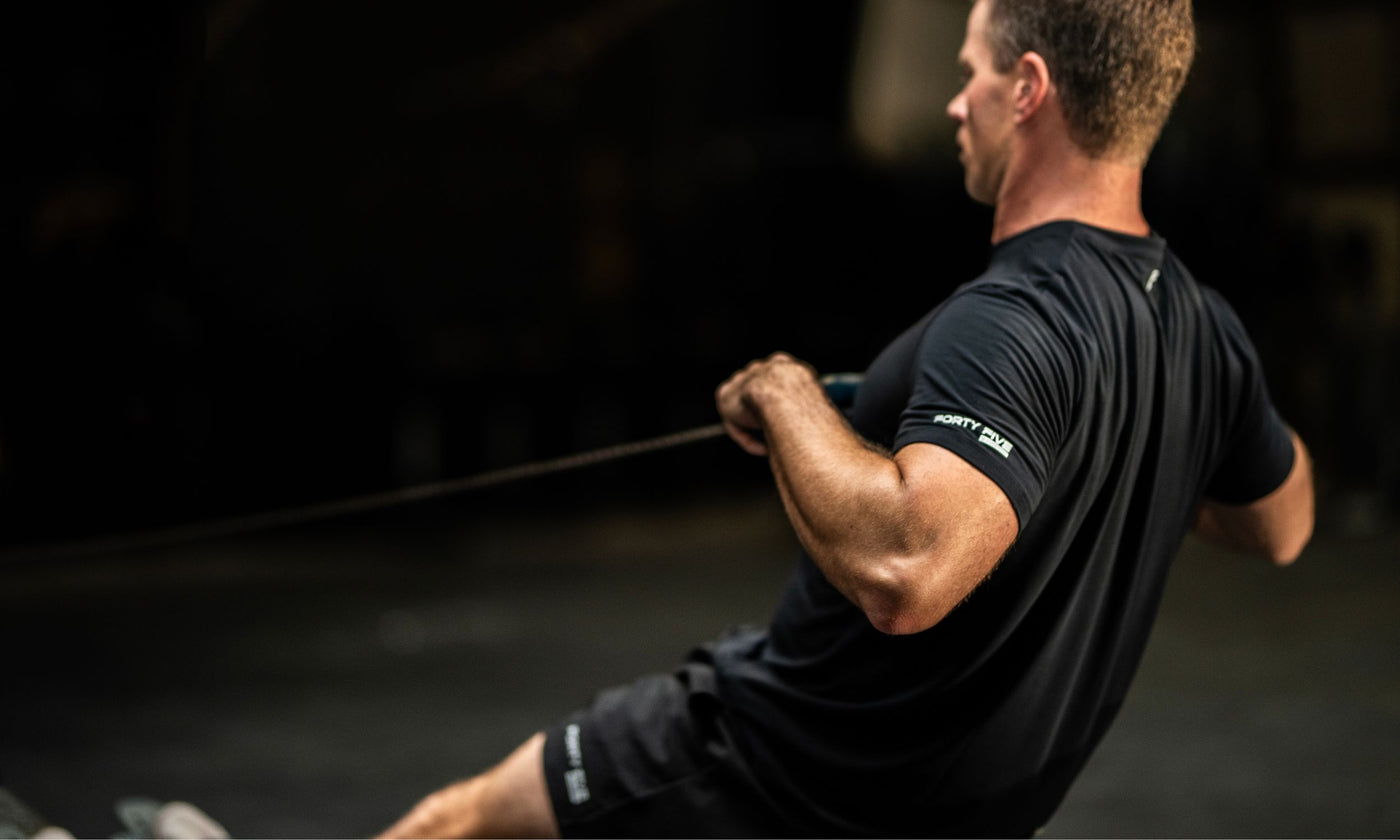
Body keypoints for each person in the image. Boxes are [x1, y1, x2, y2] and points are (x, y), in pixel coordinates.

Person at [379, 0, 1315, 835]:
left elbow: (906, 566)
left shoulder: (1013, 317)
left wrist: (782, 391)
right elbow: (1283, 524)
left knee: (451, 822)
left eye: (970, 73)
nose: (956, 103)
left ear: (1027, 89)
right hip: (940, 803)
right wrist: (1133, 447)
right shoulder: (1199, 324)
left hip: (775, 771)